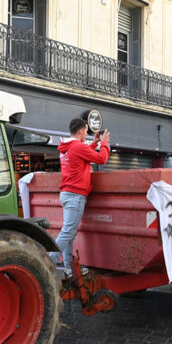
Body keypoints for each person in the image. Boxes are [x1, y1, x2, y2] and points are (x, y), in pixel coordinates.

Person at [51, 117, 110, 276]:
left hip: (67, 193)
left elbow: (80, 157)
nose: (86, 134)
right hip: (75, 194)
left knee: (69, 233)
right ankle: (48, 262)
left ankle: (69, 269)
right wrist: (103, 143)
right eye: (85, 131)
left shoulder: (67, 147)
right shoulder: (77, 146)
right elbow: (101, 159)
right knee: (68, 232)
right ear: (79, 131)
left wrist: (94, 144)